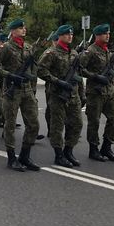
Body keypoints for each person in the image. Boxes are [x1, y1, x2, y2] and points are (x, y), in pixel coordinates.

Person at [0, 19, 41, 171]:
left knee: (34, 124)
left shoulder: (28, 47)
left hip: (27, 90)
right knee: (9, 125)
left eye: (24, 27)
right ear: (12, 31)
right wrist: (9, 75)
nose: (24, 29)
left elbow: (32, 69)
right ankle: (11, 158)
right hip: (12, 90)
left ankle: (25, 155)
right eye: (20, 28)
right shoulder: (6, 48)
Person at [37, 24, 84, 168]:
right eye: (66, 35)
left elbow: (79, 75)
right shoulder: (51, 53)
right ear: (60, 36)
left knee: (77, 124)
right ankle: (59, 155)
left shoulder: (75, 53)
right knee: (57, 127)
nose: (70, 37)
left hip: (73, 95)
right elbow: (41, 70)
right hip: (58, 95)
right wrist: (58, 81)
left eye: (71, 34)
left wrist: (82, 93)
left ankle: (68, 151)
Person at [80, 24, 114, 162]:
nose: (107, 36)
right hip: (95, 92)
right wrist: (95, 76)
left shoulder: (107, 51)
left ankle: (107, 147)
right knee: (94, 122)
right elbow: (80, 69)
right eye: (104, 34)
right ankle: (94, 149)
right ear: (97, 35)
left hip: (109, 92)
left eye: (108, 33)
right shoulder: (90, 51)